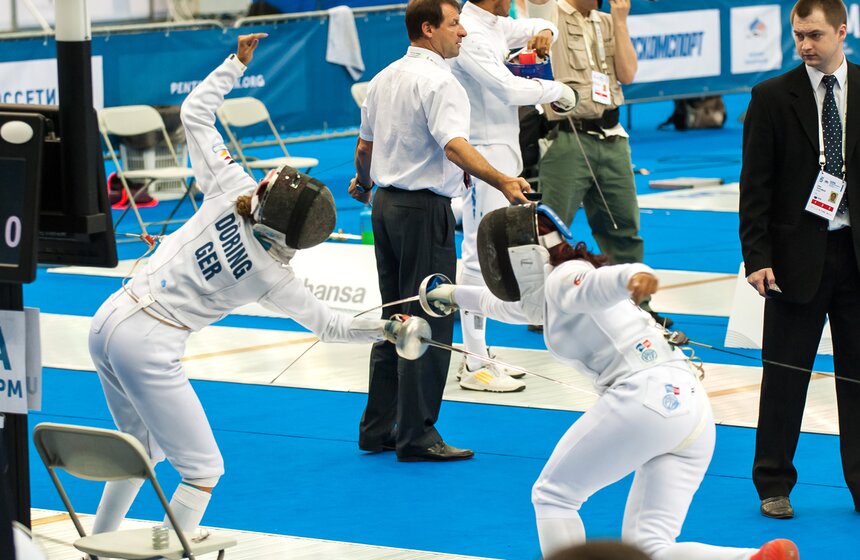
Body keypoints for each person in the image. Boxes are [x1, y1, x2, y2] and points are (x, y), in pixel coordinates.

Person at [88, 34, 412, 537]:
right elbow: (330, 327)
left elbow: (195, 112)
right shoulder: (272, 274)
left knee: (142, 448)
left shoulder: (230, 188)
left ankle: (101, 543)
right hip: (147, 344)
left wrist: (234, 66)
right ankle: (169, 549)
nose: (266, 177)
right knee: (202, 471)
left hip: (109, 317)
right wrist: (386, 329)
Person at [424, 203, 800, 559]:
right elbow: (496, 304)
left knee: (554, 495)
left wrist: (632, 277)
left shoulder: (563, 279)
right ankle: (754, 557)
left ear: (523, 257)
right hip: (693, 411)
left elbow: (594, 282)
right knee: (650, 548)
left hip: (645, 400)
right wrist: (447, 294)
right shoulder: (544, 296)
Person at [348, 0, 532, 461]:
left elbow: (364, 147)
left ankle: (378, 428)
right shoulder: (440, 81)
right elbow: (454, 147)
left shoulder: (385, 76)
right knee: (429, 318)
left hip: (385, 207)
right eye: (454, 25)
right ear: (429, 29)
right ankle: (418, 435)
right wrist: (504, 179)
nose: (463, 33)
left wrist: (365, 184)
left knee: (394, 319)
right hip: (422, 210)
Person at [739, 0, 860, 519]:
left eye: (814, 35)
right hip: (792, 259)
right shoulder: (770, 97)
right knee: (784, 376)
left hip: (856, 256)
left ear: (842, 30)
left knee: (859, 379)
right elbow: (755, 186)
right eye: (797, 36)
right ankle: (773, 483)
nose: (805, 45)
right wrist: (756, 257)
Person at [448, 0, 579, 392]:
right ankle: (473, 361)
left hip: (503, 152)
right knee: (475, 254)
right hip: (482, 154)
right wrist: (557, 90)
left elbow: (539, 23)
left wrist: (547, 34)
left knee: (489, 250)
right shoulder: (468, 31)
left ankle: (479, 352)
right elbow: (506, 88)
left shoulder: (496, 24)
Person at [525, 0, 672, 328]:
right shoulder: (549, 14)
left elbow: (628, 73)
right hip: (566, 136)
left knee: (624, 226)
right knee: (552, 228)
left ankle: (635, 304)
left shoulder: (608, 20)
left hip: (612, 137)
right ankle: (545, 307)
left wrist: (620, 20)